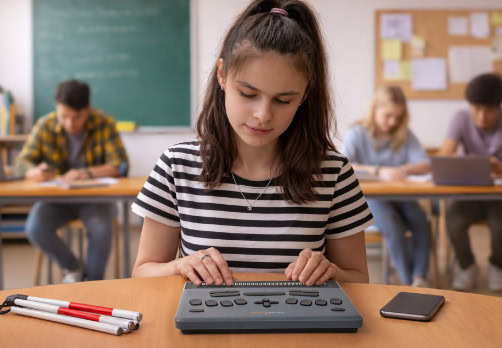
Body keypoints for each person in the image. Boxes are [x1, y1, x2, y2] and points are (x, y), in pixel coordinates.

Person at [131, 0, 374, 286]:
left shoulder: (333, 173)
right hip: (206, 329)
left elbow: (358, 279)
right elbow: (143, 272)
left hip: (302, 331)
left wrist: (330, 271)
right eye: (248, 93)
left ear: (305, 94)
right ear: (222, 75)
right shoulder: (177, 166)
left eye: (284, 100)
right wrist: (180, 266)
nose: (263, 115)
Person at [15, 79, 129, 282]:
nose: (70, 124)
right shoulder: (45, 125)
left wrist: (86, 173)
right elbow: (22, 163)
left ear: (88, 109)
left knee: (101, 228)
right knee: (35, 228)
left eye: (77, 117)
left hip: (96, 200)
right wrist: (35, 171)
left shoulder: (104, 123)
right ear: (56, 108)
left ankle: (92, 282)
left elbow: (120, 165)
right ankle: (73, 268)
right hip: (57, 200)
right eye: (64, 116)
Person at [342, 85, 431, 287]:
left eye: (398, 117)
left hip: (402, 197)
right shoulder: (357, 133)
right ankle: (408, 282)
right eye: (388, 115)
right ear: (374, 109)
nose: (393, 122)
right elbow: (344, 165)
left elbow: (425, 163)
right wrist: (378, 170)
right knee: (393, 226)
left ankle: (420, 277)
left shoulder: (404, 134)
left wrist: (405, 169)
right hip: (372, 199)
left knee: (421, 222)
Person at [440, 73, 502, 291]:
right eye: (476, 109)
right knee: (453, 219)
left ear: (498, 106)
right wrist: (465, 162)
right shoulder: (461, 118)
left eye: (488, 110)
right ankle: (467, 267)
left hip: (498, 196)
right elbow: (444, 156)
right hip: (468, 193)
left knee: (499, 225)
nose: (481, 116)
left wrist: (498, 167)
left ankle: (497, 266)